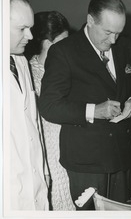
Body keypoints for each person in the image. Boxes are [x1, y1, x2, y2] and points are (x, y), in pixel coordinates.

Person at [39, 0, 131, 210]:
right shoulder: (64, 51)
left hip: (121, 155)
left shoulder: (124, 46)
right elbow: (49, 107)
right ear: (90, 21)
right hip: (86, 160)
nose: (113, 40)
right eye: (107, 32)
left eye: (118, 33)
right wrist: (93, 111)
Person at [26, 11, 75, 210]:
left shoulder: (68, 72)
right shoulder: (28, 75)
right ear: (47, 43)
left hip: (70, 154)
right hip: (46, 158)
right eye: (63, 42)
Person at [9, 0, 49, 210]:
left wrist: (44, 173)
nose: (31, 36)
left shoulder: (21, 63)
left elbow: (34, 126)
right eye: (22, 29)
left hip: (35, 185)